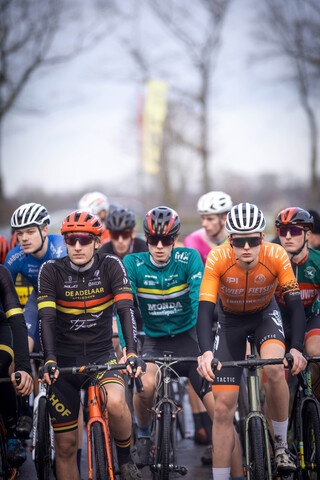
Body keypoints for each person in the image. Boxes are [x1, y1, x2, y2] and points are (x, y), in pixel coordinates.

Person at [122, 206, 243, 477]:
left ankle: (239, 475)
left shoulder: (189, 258)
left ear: (175, 239)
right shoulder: (133, 263)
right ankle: (143, 435)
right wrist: (128, 349)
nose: (160, 246)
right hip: (153, 341)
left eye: (167, 240)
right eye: (154, 240)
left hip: (190, 340)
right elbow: (125, 307)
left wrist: (205, 351)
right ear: (146, 239)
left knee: (222, 416)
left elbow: (199, 302)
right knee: (145, 385)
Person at [197, 202, 307, 480]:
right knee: (223, 409)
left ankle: (281, 446)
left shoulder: (277, 254)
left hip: (264, 317)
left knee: (274, 369)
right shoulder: (217, 257)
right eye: (239, 241)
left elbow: (294, 307)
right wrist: (206, 353)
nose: (247, 247)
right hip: (230, 321)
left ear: (262, 237)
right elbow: (205, 311)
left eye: (254, 240)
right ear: (229, 239)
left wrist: (295, 348)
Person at [37, 210, 144, 480]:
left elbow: (125, 310)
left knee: (118, 403)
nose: (77, 246)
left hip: (102, 356)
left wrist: (131, 351)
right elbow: (46, 319)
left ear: (97, 241)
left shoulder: (111, 266)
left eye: (84, 240)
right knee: (66, 446)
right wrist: (49, 359)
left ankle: (125, 459)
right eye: (70, 240)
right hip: (64, 363)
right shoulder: (50, 271)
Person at [4, 202, 66, 438]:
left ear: (44, 230)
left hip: (64, 301)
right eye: (20, 233)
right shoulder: (16, 256)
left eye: (30, 232)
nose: (24, 238)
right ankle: (25, 412)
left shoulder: (60, 249)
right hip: (37, 299)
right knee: (18, 354)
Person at [274, 207, 320, 399]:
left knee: (316, 355)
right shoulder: (272, 261)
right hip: (279, 323)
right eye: (283, 231)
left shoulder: (317, 262)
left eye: (294, 231)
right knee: (274, 377)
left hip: (310, 319)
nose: (288, 237)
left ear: (308, 234)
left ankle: (314, 408)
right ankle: (275, 427)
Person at [0, 264, 33, 466]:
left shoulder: (1, 273)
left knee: (1, 365)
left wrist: (23, 367)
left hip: (0, 327)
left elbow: (17, 320)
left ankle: (12, 434)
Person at [184, 191, 233, 264]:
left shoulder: (236, 240)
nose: (204, 224)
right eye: (202, 218)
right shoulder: (193, 240)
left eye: (210, 219)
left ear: (224, 219)